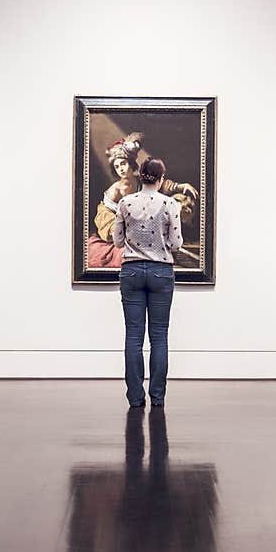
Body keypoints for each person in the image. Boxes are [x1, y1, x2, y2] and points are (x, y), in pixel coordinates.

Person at [113, 157, 182, 407]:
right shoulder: (169, 203)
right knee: (159, 337)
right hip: (161, 272)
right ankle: (158, 396)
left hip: (131, 271)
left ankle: (135, 398)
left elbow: (118, 241)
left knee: (133, 336)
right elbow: (176, 243)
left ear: (140, 176)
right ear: (161, 178)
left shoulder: (125, 203)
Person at [87, 132, 197, 268]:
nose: (121, 169)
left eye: (123, 164)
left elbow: (160, 185)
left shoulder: (141, 180)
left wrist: (181, 186)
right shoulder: (115, 190)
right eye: (117, 166)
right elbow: (105, 216)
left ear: (131, 163)